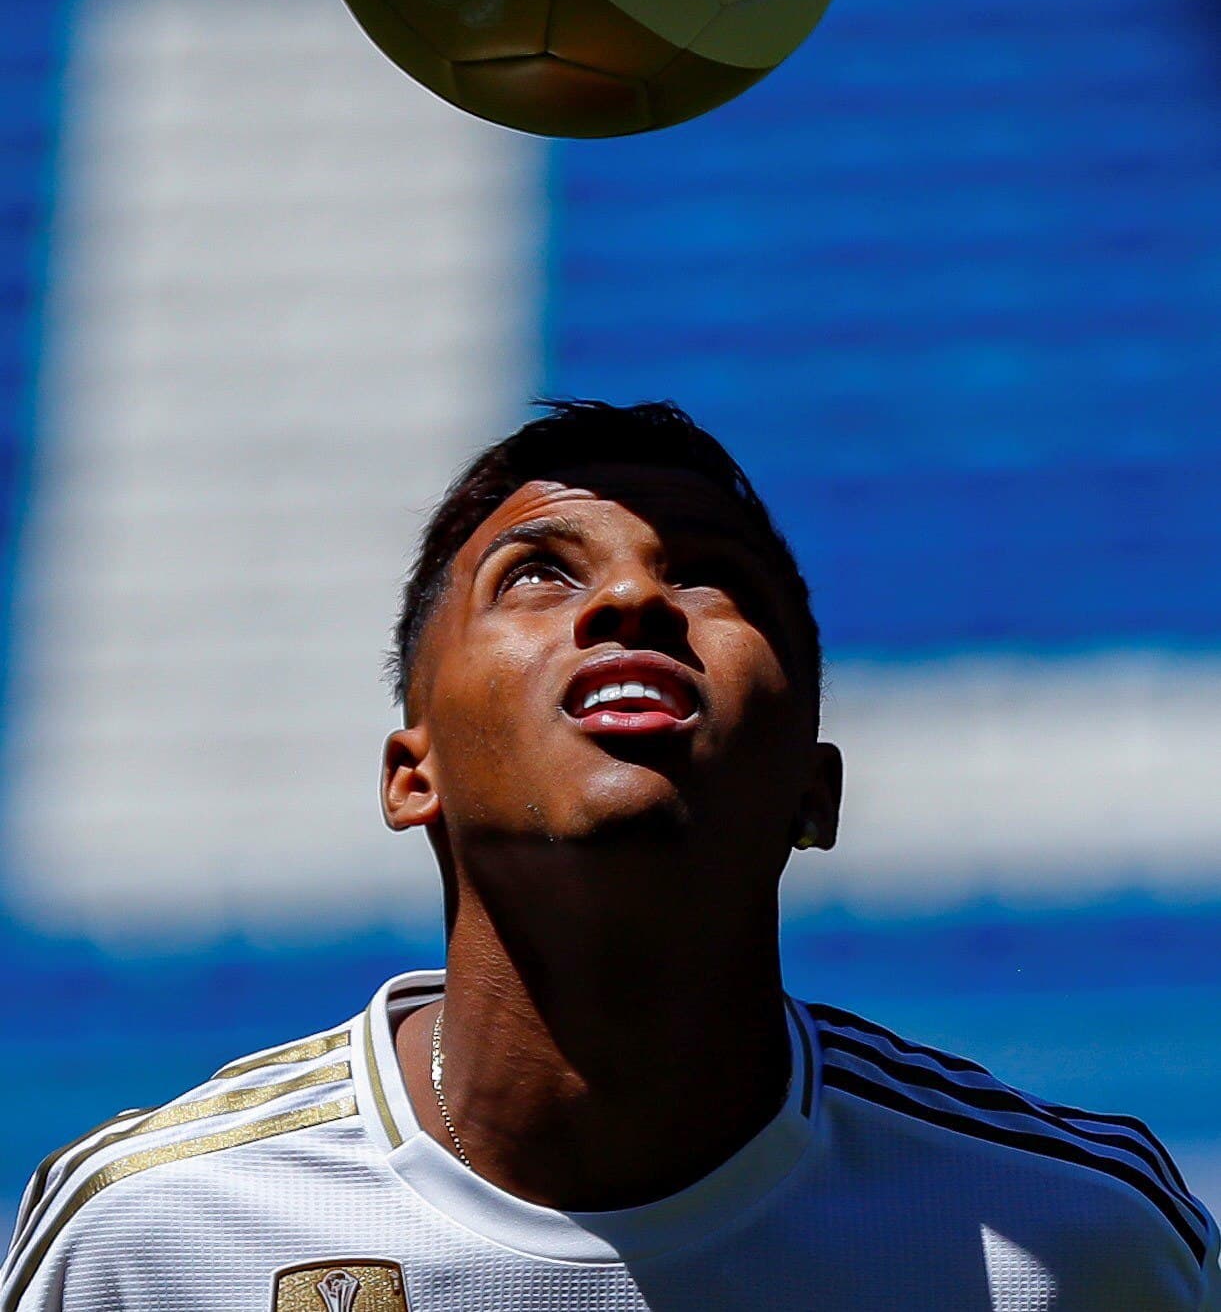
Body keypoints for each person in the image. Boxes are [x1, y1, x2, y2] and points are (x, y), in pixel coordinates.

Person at [3, 399, 1217, 1311]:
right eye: (539, 571)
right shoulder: (150, 1235)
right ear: (412, 774)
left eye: (711, 576)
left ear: (814, 790)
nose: (633, 601)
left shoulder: (1073, 1241)